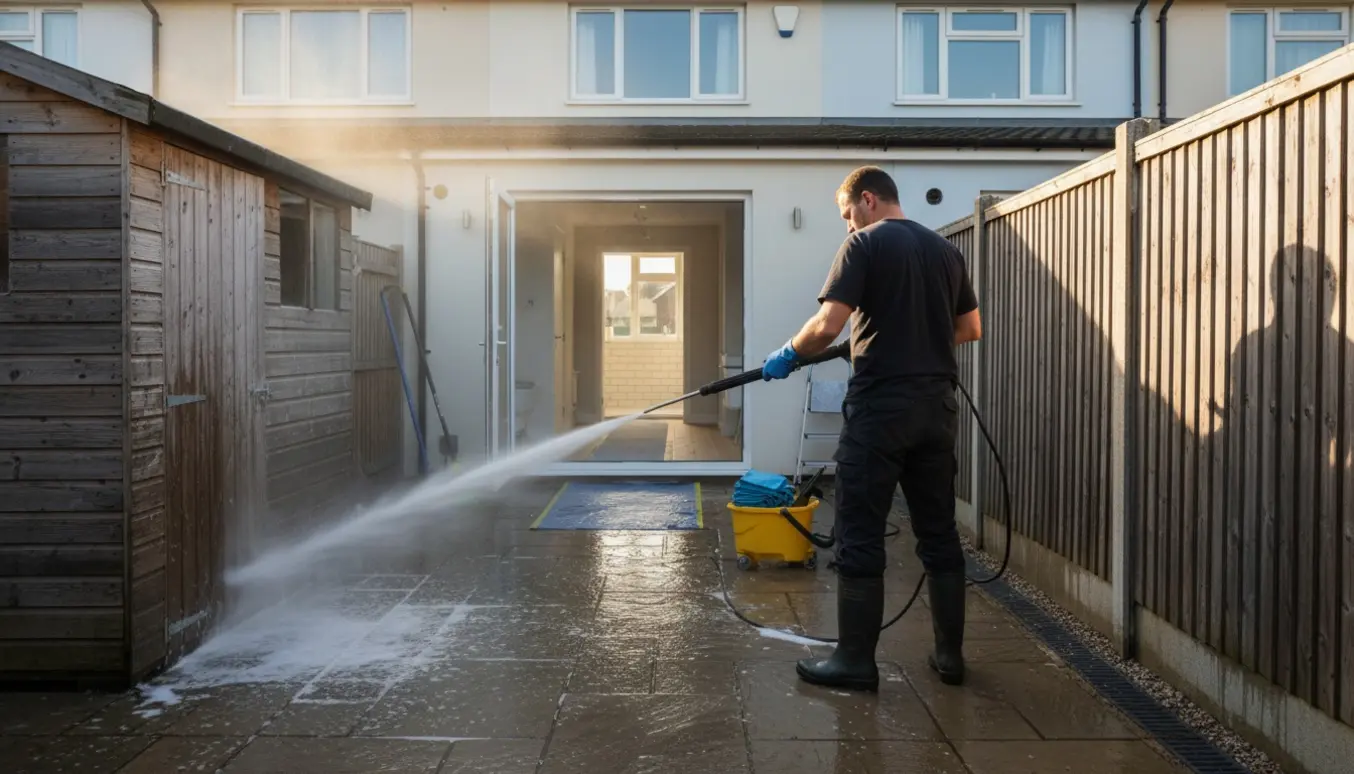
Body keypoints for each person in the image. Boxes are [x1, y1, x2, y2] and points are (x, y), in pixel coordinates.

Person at [761, 166, 983, 692]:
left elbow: (827, 326)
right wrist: (917, 342)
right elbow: (970, 329)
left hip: (881, 410)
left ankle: (855, 662)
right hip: (937, 408)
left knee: (860, 529)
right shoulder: (946, 251)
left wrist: (789, 354)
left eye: (846, 216)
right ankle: (950, 658)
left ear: (867, 200)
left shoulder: (864, 246)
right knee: (939, 531)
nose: (847, 227)